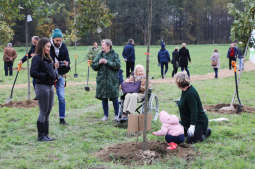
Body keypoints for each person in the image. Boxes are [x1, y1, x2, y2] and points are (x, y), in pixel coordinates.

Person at [30, 38, 57, 141]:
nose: (49, 49)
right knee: (43, 111)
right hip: (42, 87)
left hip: (50, 87)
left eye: (50, 47)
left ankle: (46, 135)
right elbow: (33, 73)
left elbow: (51, 71)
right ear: (42, 46)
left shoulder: (48, 57)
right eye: (47, 47)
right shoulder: (37, 58)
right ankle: (40, 136)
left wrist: (55, 76)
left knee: (48, 110)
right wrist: (45, 76)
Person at [175, 72, 211, 144]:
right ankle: (194, 132)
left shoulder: (190, 93)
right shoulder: (184, 90)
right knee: (177, 132)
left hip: (198, 122)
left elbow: (194, 111)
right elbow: (185, 103)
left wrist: (192, 126)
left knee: (189, 141)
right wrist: (179, 103)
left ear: (179, 83)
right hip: (186, 122)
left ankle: (205, 133)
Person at [91, 39, 121, 121]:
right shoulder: (100, 54)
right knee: (104, 98)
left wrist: (107, 62)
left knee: (114, 98)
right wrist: (99, 63)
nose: (102, 47)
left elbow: (118, 66)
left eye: (103, 45)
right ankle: (105, 115)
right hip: (102, 80)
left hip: (112, 81)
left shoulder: (115, 55)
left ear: (108, 46)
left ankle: (116, 115)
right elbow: (93, 65)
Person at [50, 28, 70, 125]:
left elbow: (68, 59)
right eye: (57, 40)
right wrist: (53, 64)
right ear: (53, 39)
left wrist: (66, 64)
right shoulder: (48, 46)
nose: (59, 42)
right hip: (49, 76)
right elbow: (45, 60)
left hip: (60, 75)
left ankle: (62, 119)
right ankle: (44, 119)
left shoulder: (64, 46)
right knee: (49, 99)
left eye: (60, 40)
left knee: (61, 97)